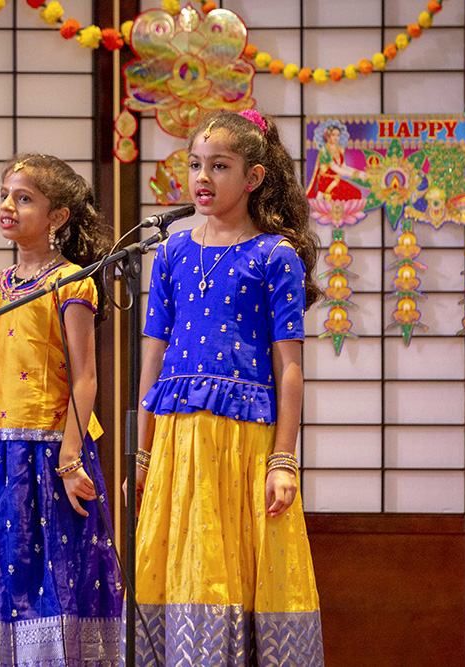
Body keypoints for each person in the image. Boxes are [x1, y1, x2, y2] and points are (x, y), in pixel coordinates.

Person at [126, 110, 325, 666]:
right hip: (176, 442)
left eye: (220, 165)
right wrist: (141, 453)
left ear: (254, 177)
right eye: (195, 165)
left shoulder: (273, 256)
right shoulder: (169, 254)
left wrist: (283, 460)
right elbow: (153, 357)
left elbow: (289, 368)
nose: (202, 178)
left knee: (237, 569)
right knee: (180, 566)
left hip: (244, 447)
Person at [0, 154, 121, 667]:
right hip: (1, 452)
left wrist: (71, 457)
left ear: (58, 217)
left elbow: (85, 376)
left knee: (56, 573)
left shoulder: (73, 281)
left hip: (52, 449)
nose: (8, 206)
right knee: (2, 572)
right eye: (5, 195)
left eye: (24, 198)